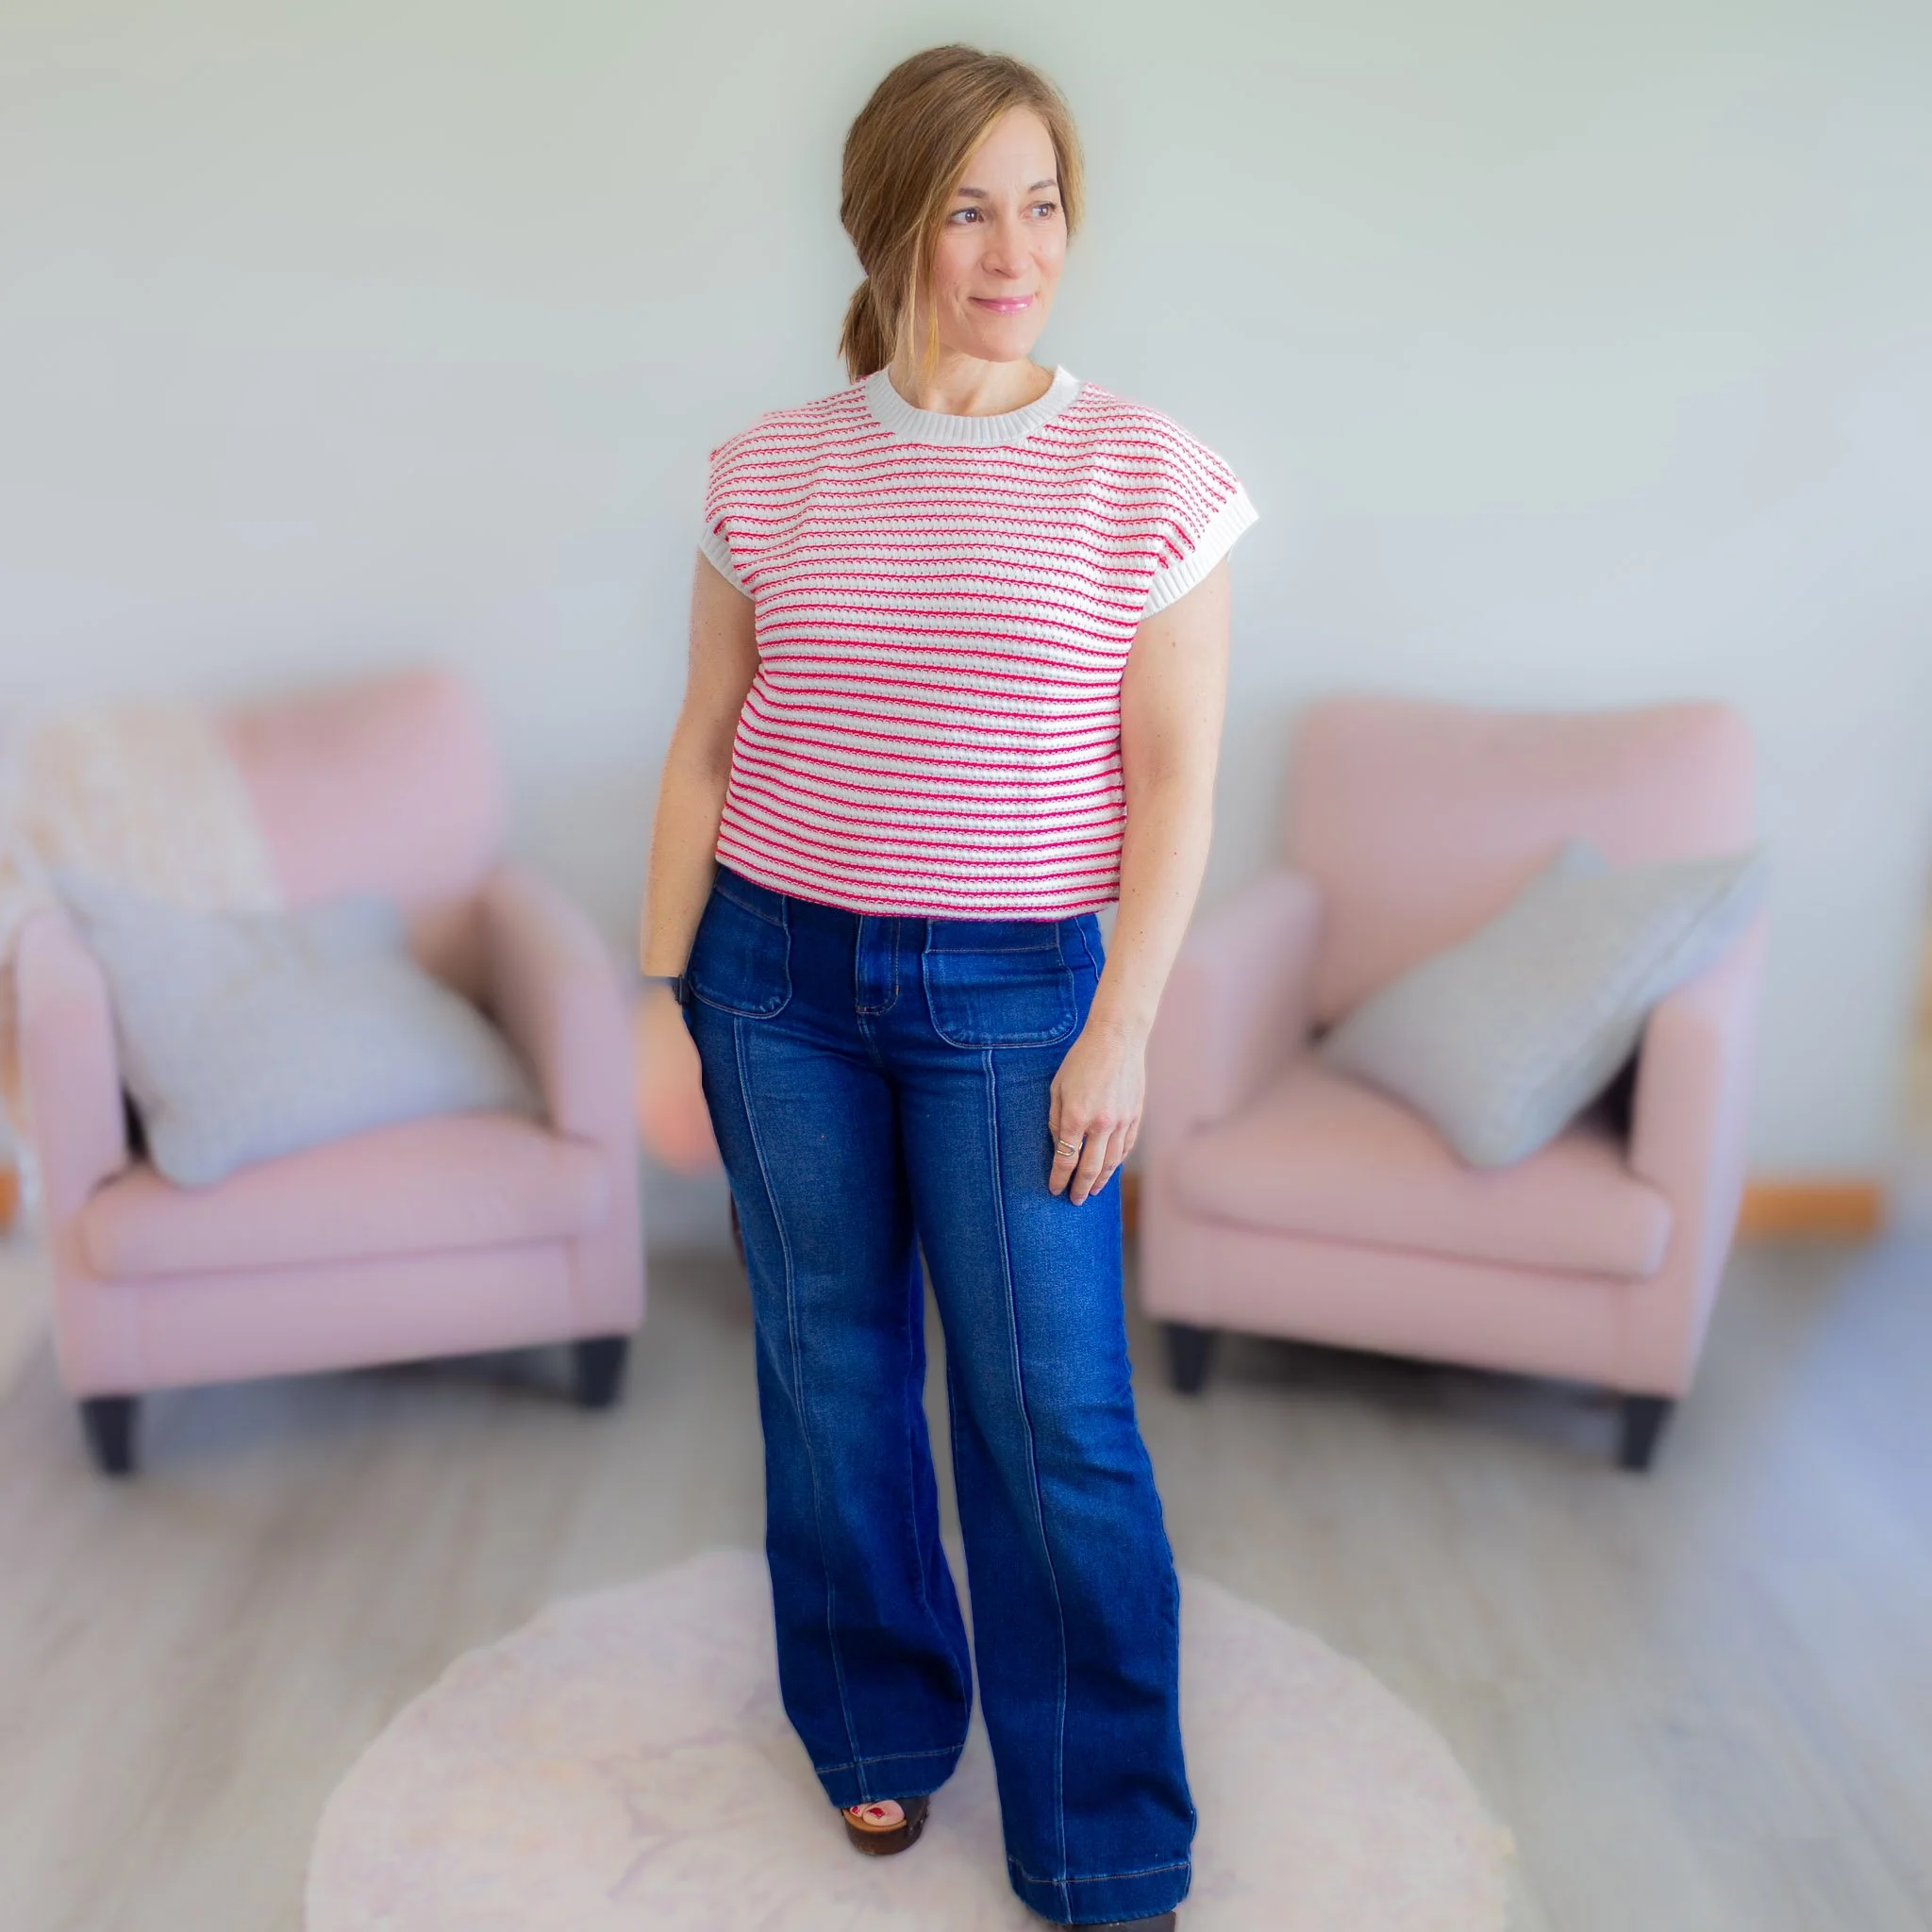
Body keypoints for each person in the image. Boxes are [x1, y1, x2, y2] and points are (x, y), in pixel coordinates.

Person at [639, 43, 1256, 1931]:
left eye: (1044, 201)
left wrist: (1122, 1026)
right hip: (773, 979)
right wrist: (657, 995)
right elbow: (704, 746)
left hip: (1019, 1000)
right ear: (888, 220)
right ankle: (877, 1731)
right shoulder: (772, 465)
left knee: (1049, 1413)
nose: (1015, 248)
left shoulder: (1150, 474)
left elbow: (1174, 785)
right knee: (828, 1375)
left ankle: (1101, 1834)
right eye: (970, 204)